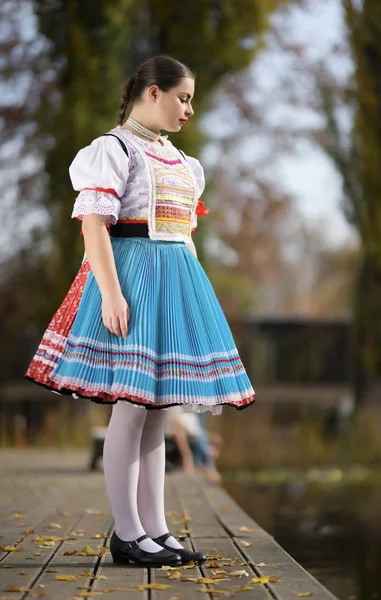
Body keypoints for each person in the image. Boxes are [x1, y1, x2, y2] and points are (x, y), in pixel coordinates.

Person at [24, 55, 255, 568]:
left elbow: (185, 238)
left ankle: (156, 529)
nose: (189, 109)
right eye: (183, 98)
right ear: (153, 92)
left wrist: (197, 304)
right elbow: (94, 227)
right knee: (129, 411)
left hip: (175, 285)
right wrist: (110, 293)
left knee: (157, 413)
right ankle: (127, 533)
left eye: (190, 100)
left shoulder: (181, 162)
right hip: (133, 281)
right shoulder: (113, 150)